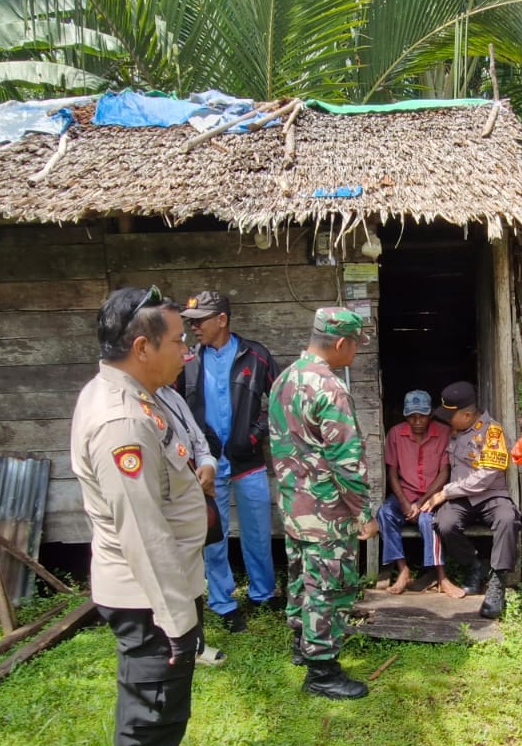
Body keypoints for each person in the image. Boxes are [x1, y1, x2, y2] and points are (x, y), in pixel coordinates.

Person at [71, 287, 220, 746]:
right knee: (151, 700)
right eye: (179, 341)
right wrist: (177, 616)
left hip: (161, 583)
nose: (187, 351)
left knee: (158, 694)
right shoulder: (122, 422)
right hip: (148, 592)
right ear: (141, 346)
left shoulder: (140, 395)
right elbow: (143, 531)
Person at [269, 308, 380, 699]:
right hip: (327, 512)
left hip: (294, 505)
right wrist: (364, 513)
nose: (356, 353)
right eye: (355, 345)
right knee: (328, 588)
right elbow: (346, 460)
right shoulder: (329, 387)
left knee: (302, 579)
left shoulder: (284, 379)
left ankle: (302, 647)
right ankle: (322, 672)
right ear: (340, 343)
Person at [179, 290, 280, 633]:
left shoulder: (256, 356)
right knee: (214, 536)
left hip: (248, 461)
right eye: (190, 322)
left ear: (222, 319)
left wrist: (255, 432)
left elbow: (281, 401)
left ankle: (262, 594)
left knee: (257, 532)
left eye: (199, 321)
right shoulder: (188, 361)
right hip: (207, 465)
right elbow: (176, 407)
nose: (193, 328)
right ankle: (223, 603)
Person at [426, 380, 522, 619]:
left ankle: (497, 582)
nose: (447, 420)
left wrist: (445, 492)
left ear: (467, 414)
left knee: (507, 519)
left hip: (491, 495)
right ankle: (474, 564)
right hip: (462, 499)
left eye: (451, 416)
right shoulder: (455, 431)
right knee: (444, 523)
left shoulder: (492, 432)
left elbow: (485, 478)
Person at [154, 376, 229, 668]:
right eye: (176, 346)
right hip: (163, 510)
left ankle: (194, 645)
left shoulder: (172, 397)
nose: (184, 358)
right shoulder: (135, 402)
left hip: (188, 506)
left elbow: (198, 441)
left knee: (192, 577)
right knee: (168, 577)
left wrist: (208, 465)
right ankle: (169, 644)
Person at [377, 389, 453, 595]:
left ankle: (440, 575)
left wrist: (422, 502)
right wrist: (403, 502)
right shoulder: (395, 433)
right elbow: (392, 473)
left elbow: (444, 473)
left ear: (431, 415)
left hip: (431, 493)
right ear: (405, 415)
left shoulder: (444, 432)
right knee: (384, 513)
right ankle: (403, 570)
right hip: (406, 493)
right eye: (412, 416)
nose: (417, 421)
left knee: (427, 520)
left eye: (422, 415)